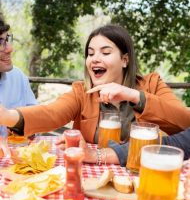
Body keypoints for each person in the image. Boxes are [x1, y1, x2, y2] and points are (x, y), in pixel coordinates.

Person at [0, 24, 189, 158]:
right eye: (90, 54)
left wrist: (132, 95)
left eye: (105, 53)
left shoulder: (152, 84)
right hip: (95, 174)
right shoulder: (81, 92)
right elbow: (52, 113)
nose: (94, 59)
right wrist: (8, 116)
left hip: (144, 173)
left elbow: (184, 121)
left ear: (125, 60)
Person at [0, 15, 37, 136]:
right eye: (0, 42)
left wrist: (18, 124)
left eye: (7, 39)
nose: (10, 48)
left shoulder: (18, 77)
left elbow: (37, 124)